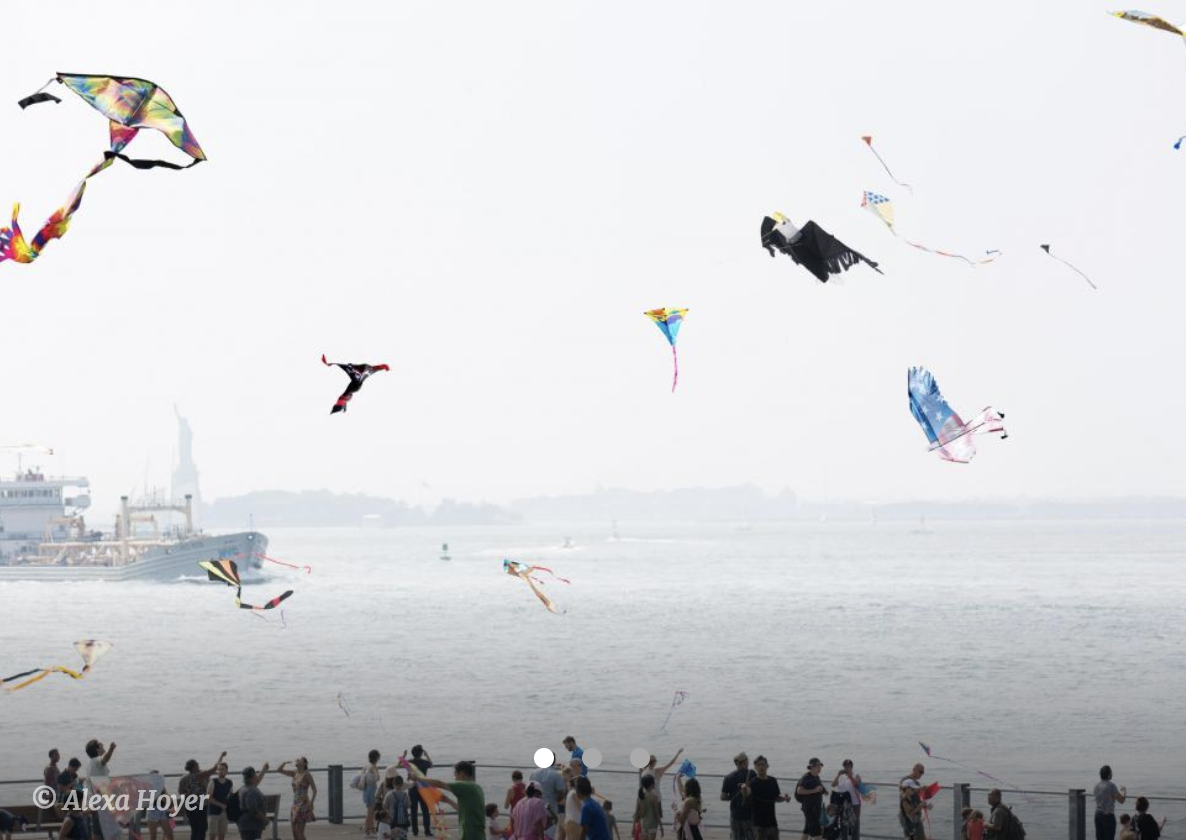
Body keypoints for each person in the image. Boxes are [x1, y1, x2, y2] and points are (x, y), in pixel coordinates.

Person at [414, 761, 486, 840]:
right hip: (477, 833)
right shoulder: (476, 787)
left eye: (455, 776)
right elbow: (462, 809)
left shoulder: (466, 786)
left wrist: (418, 778)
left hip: (471, 835)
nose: (455, 779)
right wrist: (448, 801)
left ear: (461, 774)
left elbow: (439, 783)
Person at [178, 752, 227, 840]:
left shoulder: (183, 778)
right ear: (194, 766)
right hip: (199, 805)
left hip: (188, 805)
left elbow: (181, 792)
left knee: (194, 829)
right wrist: (221, 756)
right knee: (202, 828)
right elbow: (215, 768)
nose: (198, 765)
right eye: (197, 764)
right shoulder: (200, 775)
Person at [744, 756, 789, 840]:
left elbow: (776, 797)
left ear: (767, 766)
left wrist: (784, 798)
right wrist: (744, 789)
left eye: (763, 764)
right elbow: (746, 794)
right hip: (758, 823)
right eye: (759, 765)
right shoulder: (752, 783)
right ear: (755, 767)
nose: (761, 767)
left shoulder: (773, 780)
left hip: (772, 822)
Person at [278, 757, 318, 840]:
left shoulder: (307, 774)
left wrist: (311, 802)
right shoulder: (294, 773)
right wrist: (284, 762)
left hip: (303, 804)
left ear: (305, 763)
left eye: (299, 759)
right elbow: (279, 770)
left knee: (299, 832)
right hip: (295, 804)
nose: (297, 759)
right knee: (294, 831)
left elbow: (314, 790)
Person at [722, 753, 756, 840]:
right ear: (745, 761)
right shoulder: (752, 774)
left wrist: (733, 796)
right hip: (749, 815)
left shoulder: (728, 777)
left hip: (735, 815)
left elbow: (723, 797)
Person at [530, 763, 567, 840]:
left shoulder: (533, 773)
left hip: (535, 810)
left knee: (537, 833)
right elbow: (561, 791)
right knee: (550, 834)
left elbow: (530, 790)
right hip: (550, 810)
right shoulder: (556, 774)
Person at [235, 765, 271, 840]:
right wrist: (265, 820)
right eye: (255, 774)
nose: (256, 776)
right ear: (253, 776)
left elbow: (256, 781)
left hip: (247, 825)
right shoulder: (251, 791)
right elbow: (253, 810)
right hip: (251, 826)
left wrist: (263, 770)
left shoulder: (244, 788)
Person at [795, 759, 827, 840]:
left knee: (807, 831)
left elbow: (819, 787)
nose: (820, 768)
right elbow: (799, 790)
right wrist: (815, 790)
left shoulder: (816, 776)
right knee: (817, 832)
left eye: (820, 766)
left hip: (815, 808)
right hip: (810, 809)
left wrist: (824, 791)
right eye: (818, 766)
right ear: (811, 767)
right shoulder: (806, 777)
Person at [1093, 766, 1126, 840]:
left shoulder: (1096, 785)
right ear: (1109, 775)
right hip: (1108, 816)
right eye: (1111, 772)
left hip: (1098, 815)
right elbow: (1121, 800)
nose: (1112, 774)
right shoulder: (1111, 786)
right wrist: (1124, 791)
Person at [831, 761, 861, 840]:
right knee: (843, 823)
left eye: (848, 766)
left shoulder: (856, 775)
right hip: (842, 803)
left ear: (851, 767)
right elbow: (833, 784)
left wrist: (850, 776)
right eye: (845, 766)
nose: (846, 768)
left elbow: (857, 785)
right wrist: (838, 775)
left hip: (854, 803)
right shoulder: (841, 776)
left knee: (855, 823)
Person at [409, 747, 435, 838]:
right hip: (423, 788)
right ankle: (427, 831)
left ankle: (415, 831)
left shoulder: (409, 762)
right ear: (421, 753)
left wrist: (403, 756)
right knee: (425, 810)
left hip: (412, 787)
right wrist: (427, 755)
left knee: (413, 810)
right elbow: (431, 765)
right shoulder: (424, 762)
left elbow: (400, 764)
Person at [206, 763, 234, 840]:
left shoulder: (229, 782)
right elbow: (208, 797)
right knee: (212, 836)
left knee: (222, 836)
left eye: (222, 769)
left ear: (226, 771)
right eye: (219, 769)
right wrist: (220, 805)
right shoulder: (213, 782)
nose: (220, 771)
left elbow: (231, 796)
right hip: (213, 813)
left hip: (224, 813)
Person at [898, 765, 926, 840]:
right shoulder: (905, 781)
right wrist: (919, 806)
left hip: (916, 816)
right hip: (908, 817)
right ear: (914, 770)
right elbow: (904, 795)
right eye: (920, 772)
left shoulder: (917, 783)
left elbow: (917, 798)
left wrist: (924, 804)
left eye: (923, 772)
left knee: (921, 837)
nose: (921, 774)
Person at [384, 773, 412, 840]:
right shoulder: (405, 794)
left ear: (393, 784)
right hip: (403, 820)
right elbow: (408, 805)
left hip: (392, 819)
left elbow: (385, 806)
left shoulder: (389, 794)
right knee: (403, 836)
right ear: (402, 784)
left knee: (393, 836)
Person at [145, 772, 173, 840]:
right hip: (153, 810)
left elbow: (167, 799)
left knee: (169, 834)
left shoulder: (161, 786)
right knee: (153, 836)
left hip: (163, 810)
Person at [633, 775, 662, 840]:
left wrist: (633, 828)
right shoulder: (654, 797)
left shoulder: (640, 797)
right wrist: (661, 827)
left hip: (643, 824)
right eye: (654, 782)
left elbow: (636, 813)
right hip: (652, 825)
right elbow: (657, 814)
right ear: (651, 784)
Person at [363, 750, 383, 837]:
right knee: (370, 812)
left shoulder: (367, 765)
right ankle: (368, 831)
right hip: (371, 791)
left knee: (370, 812)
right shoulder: (373, 767)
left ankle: (371, 830)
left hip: (366, 790)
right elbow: (377, 777)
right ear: (377, 758)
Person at [562, 767, 580, 840]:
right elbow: (581, 807)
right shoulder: (573, 793)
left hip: (568, 819)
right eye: (571, 775)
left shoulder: (571, 791)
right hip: (573, 821)